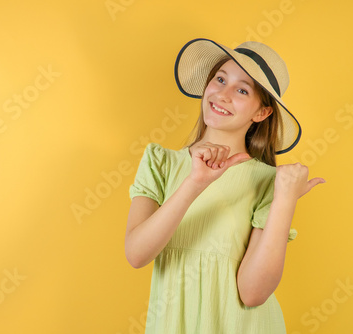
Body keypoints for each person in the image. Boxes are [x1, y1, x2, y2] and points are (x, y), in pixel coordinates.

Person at [124, 38, 325, 333]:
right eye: (220, 79)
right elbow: (137, 254)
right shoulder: (160, 162)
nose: (222, 94)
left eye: (242, 90)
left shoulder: (270, 182)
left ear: (262, 113)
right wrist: (195, 183)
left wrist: (285, 199)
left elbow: (253, 293)